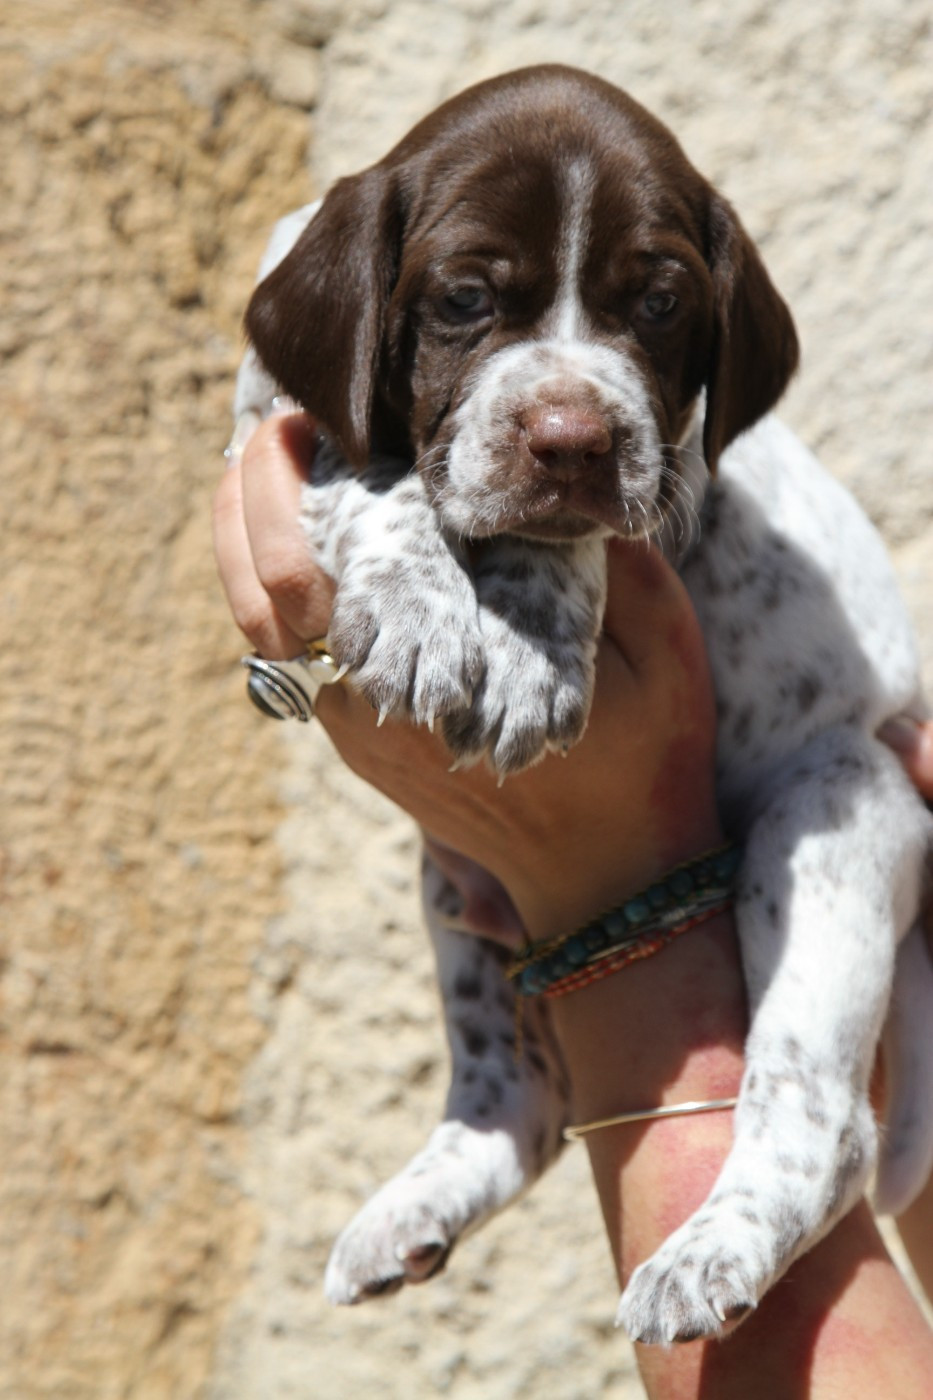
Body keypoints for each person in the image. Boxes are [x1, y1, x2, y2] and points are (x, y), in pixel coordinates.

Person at [214, 406, 933, 1397]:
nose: (562, 408)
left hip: (818, 782)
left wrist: (611, 898)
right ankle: (498, 1097)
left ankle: (794, 1146)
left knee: (834, 820)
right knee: (459, 836)